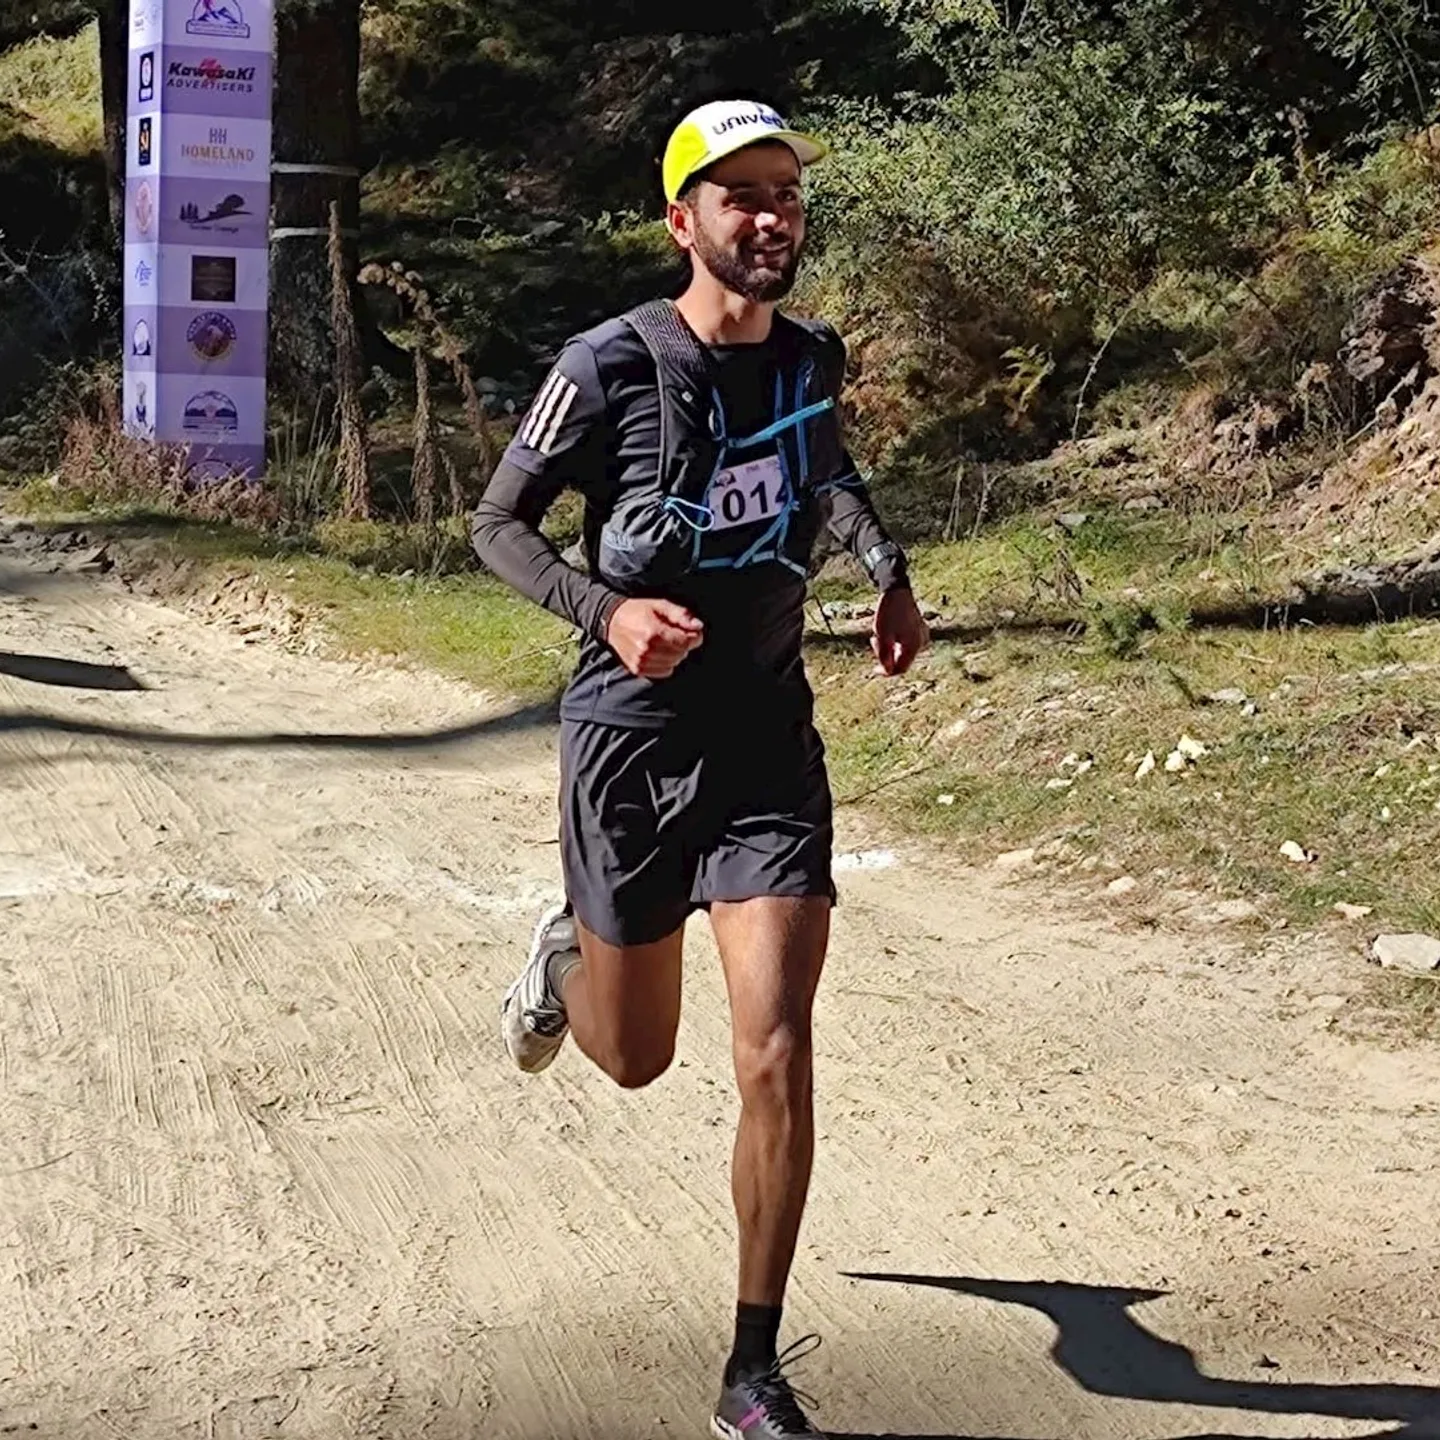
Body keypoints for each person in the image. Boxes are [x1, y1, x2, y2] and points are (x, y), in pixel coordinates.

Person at [471, 98, 927, 1440]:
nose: (772, 215)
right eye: (742, 196)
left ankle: (752, 1370)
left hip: (765, 741)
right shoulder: (609, 365)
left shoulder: (811, 358)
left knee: (776, 1047)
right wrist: (602, 610)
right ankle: (571, 958)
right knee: (634, 1059)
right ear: (686, 222)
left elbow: (823, 473)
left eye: (786, 192)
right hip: (631, 745)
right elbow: (497, 523)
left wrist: (886, 572)